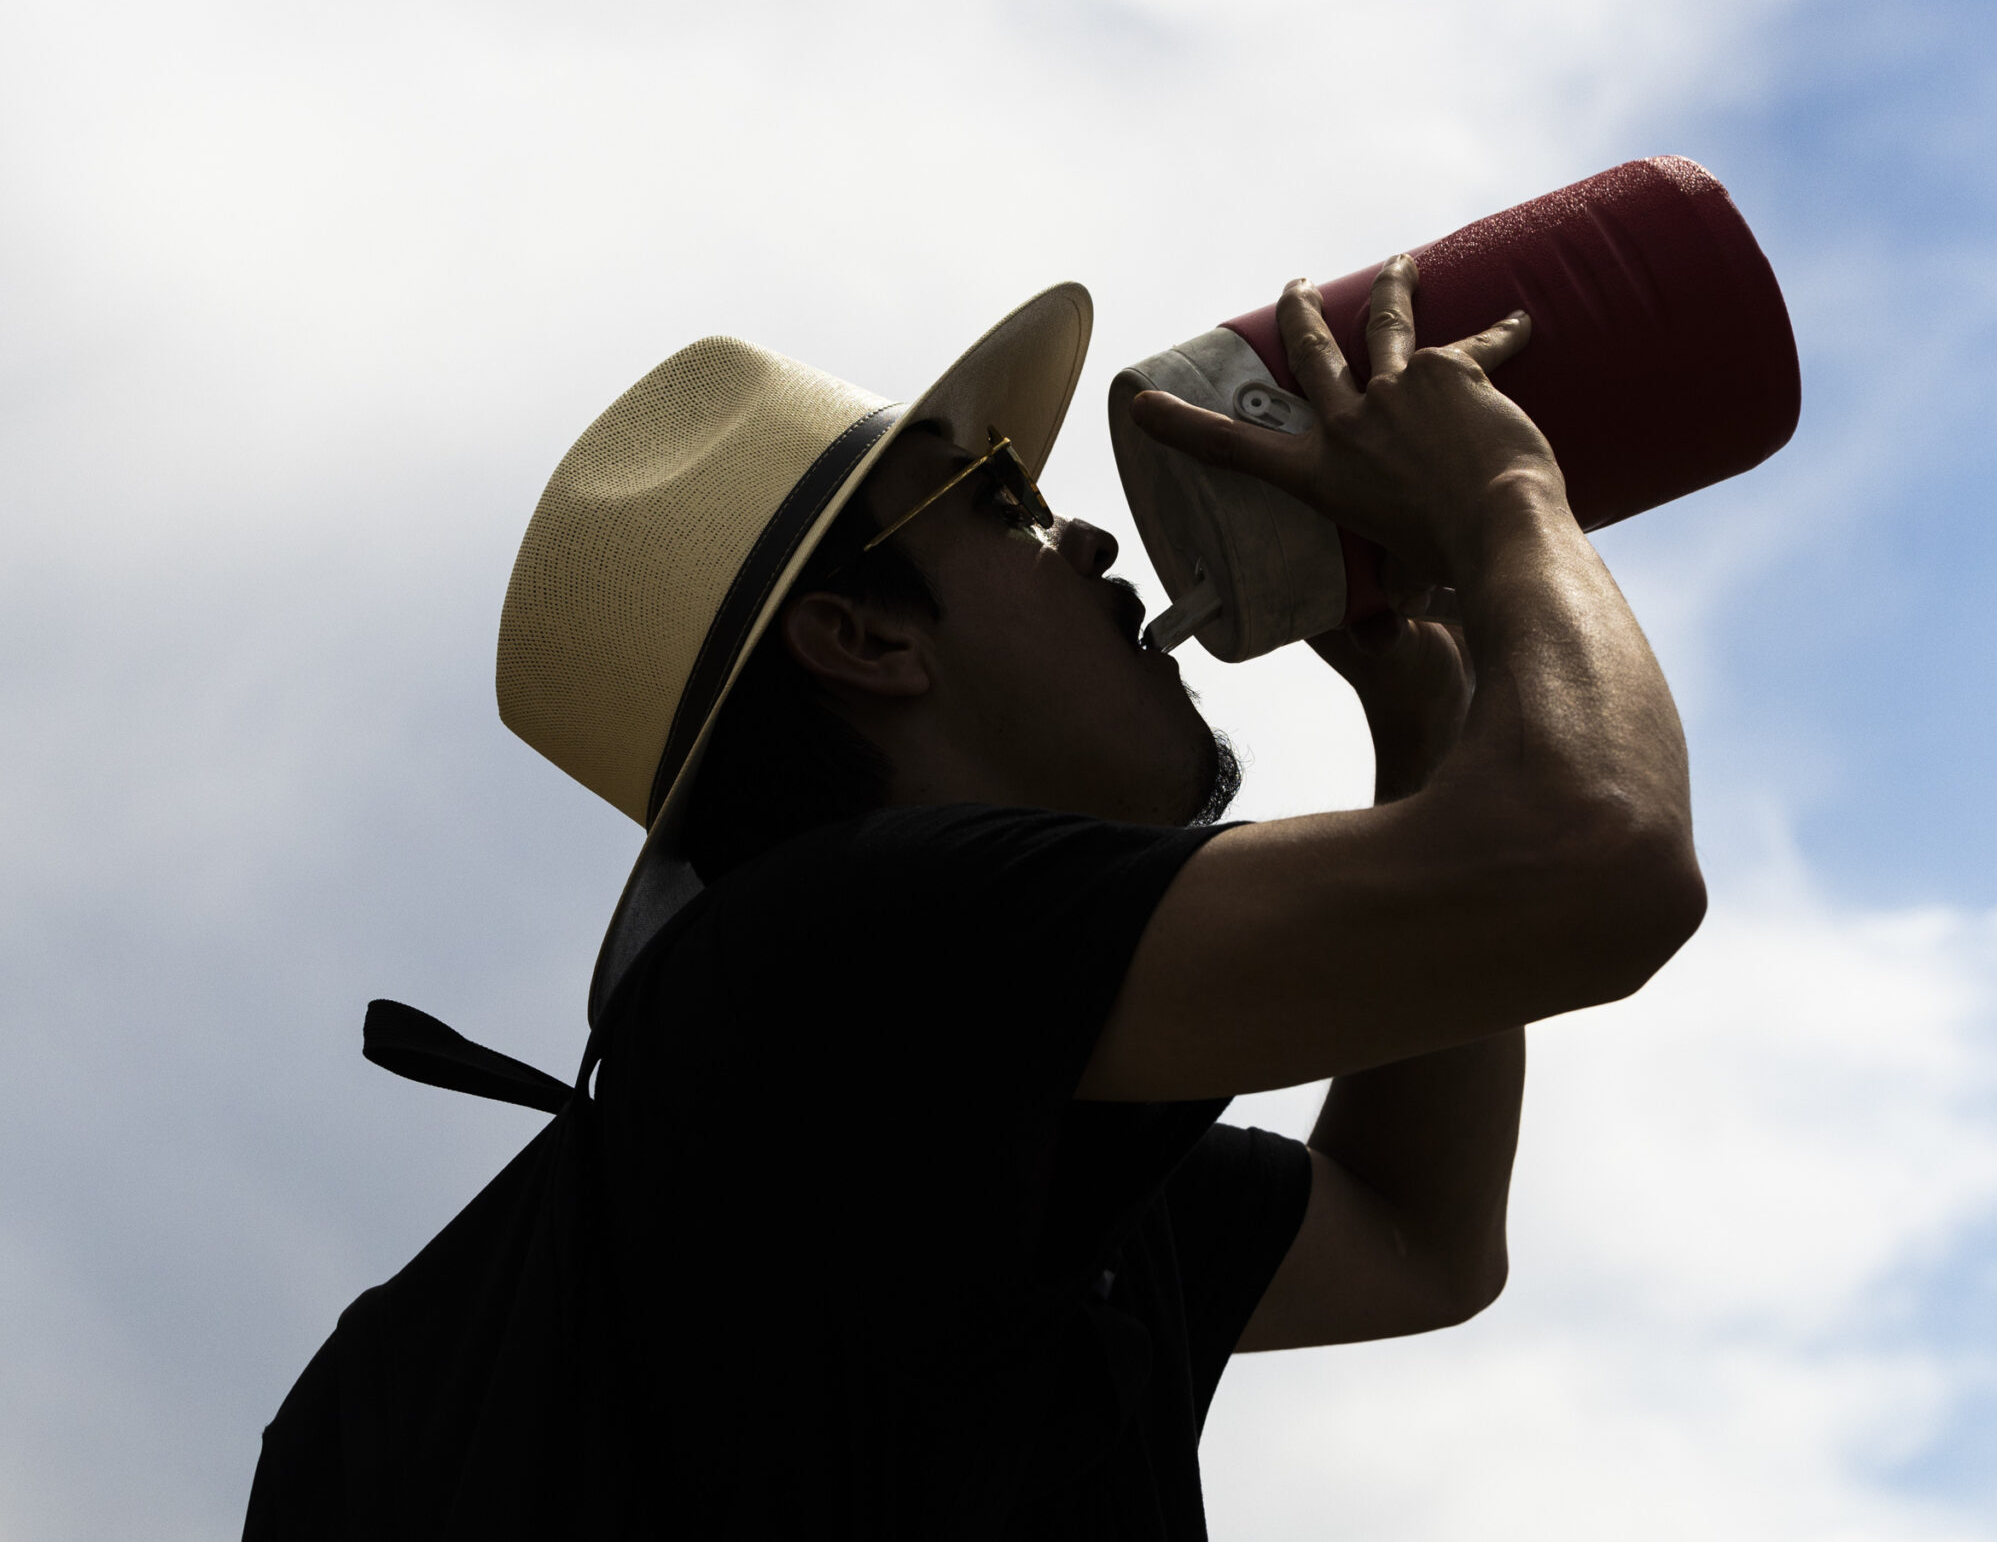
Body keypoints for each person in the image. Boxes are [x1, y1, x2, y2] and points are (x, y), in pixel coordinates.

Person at [244, 259, 1704, 1539]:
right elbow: (1600, 860)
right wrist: (1507, 496)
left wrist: (1427, 722)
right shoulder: (857, 942)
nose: (1089, 543)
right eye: (1002, 501)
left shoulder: (872, 1093)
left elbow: (1412, 1239)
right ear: (865, 641)